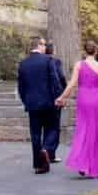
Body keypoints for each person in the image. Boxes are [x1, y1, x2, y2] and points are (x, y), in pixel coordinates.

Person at [56, 40, 98, 177]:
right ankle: (96, 164)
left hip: (83, 99)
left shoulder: (79, 65)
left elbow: (72, 84)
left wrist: (62, 97)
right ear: (95, 51)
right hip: (96, 99)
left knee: (83, 130)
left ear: (85, 51)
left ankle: (83, 163)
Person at [17, 37, 60, 172]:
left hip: (32, 104)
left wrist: (26, 101)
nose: (45, 47)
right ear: (40, 45)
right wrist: (58, 97)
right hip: (48, 103)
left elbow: (21, 87)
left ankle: (39, 164)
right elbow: (55, 81)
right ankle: (46, 149)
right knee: (52, 129)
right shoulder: (48, 60)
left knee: (35, 134)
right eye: (44, 45)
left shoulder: (23, 63)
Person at [45, 42, 67, 160]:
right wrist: (63, 94)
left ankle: (44, 150)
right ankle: (50, 152)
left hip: (43, 98)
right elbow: (61, 77)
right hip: (54, 97)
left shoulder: (42, 62)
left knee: (45, 126)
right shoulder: (56, 62)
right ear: (53, 51)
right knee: (54, 126)